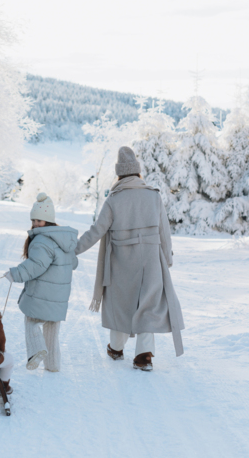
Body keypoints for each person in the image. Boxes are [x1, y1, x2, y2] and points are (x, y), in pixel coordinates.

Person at [75, 146, 185, 371]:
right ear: (137, 172)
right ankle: (144, 356)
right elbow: (164, 231)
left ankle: (116, 348)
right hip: (151, 260)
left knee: (121, 304)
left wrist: (72, 249)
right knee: (148, 306)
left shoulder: (113, 200)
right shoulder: (153, 195)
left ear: (119, 174)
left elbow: (96, 232)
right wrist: (167, 258)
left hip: (121, 262)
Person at [3, 193, 78, 372]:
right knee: (52, 331)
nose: (36, 224)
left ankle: (37, 350)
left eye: (40, 221)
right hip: (59, 297)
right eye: (34, 220)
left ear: (49, 221)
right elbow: (73, 263)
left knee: (31, 321)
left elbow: (35, 265)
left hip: (40, 294)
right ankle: (52, 365)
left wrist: (15, 274)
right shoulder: (63, 241)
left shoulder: (42, 241)